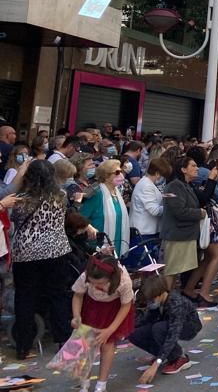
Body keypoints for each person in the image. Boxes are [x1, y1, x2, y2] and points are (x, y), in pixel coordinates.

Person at [6, 159, 76, 359]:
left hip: (26, 253)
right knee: (59, 294)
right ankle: (63, 338)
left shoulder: (21, 199)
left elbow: (15, 220)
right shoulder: (60, 196)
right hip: (56, 251)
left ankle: (23, 346)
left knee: (25, 297)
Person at [71, 253, 135, 392]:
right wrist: (76, 316)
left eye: (99, 283)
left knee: (107, 344)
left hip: (114, 310)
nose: (95, 285)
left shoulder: (124, 281)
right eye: (92, 282)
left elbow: (126, 305)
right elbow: (78, 295)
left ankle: (101, 384)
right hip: (91, 306)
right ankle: (85, 383)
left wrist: (110, 330)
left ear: (111, 278)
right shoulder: (86, 277)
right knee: (85, 343)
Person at [160, 155, 218, 303]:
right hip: (177, 234)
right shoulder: (174, 186)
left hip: (186, 234)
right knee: (172, 270)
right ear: (183, 169)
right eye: (193, 166)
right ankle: (166, 302)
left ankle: (172, 299)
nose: (197, 168)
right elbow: (179, 211)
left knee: (177, 270)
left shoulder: (187, 185)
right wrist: (199, 213)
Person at [131, 276, 203, 382]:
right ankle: (163, 354)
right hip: (166, 323)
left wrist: (156, 364)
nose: (150, 302)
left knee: (158, 329)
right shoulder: (157, 302)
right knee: (134, 333)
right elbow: (146, 320)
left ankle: (179, 358)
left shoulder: (176, 303)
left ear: (161, 293)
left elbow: (173, 334)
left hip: (188, 327)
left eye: (152, 299)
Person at [80, 159, 131, 258]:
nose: (120, 175)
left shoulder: (116, 192)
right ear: (106, 176)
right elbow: (82, 217)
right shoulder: (97, 194)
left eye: (120, 171)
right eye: (116, 172)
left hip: (118, 241)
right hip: (99, 245)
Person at [127, 157, 171, 269]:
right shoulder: (146, 186)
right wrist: (169, 206)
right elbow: (154, 210)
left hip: (148, 231)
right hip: (144, 232)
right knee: (144, 266)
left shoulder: (147, 184)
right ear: (157, 173)